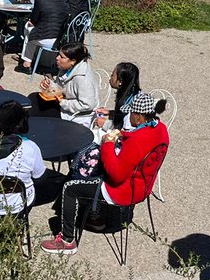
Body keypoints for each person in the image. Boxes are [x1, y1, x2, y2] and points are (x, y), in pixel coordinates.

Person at [40, 91, 169, 254]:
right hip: (143, 185)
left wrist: (107, 144)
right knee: (90, 170)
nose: (129, 117)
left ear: (138, 116)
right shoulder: (161, 129)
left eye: (131, 113)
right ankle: (92, 214)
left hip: (122, 191)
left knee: (70, 187)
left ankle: (67, 241)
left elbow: (116, 175)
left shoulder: (137, 140)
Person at [29, 43, 96, 123]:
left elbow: (88, 105)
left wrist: (63, 102)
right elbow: (60, 86)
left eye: (62, 57)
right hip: (62, 103)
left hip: (75, 115)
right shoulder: (66, 68)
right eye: (58, 55)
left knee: (37, 112)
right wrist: (49, 84)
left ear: (73, 61)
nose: (57, 58)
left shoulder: (83, 79)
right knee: (33, 98)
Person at [20, 0, 68, 70]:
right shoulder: (63, 2)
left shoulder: (40, 1)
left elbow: (33, 21)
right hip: (59, 39)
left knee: (28, 28)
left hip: (44, 37)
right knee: (31, 33)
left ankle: (27, 63)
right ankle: (34, 59)